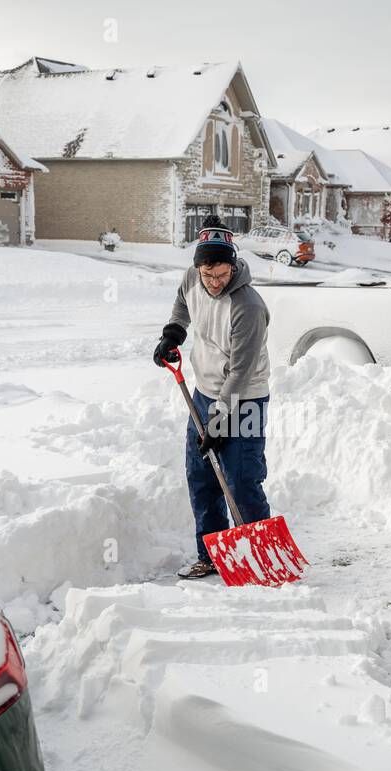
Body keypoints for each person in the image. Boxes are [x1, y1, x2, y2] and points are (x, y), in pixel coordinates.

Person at [153, 216, 272, 579]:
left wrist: (221, 420)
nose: (215, 283)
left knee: (240, 477)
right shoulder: (193, 278)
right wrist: (173, 334)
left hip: (245, 398)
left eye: (222, 275)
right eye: (209, 277)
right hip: (204, 394)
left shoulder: (247, 307)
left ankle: (262, 556)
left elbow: (241, 371)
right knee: (201, 475)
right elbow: (182, 302)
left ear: (233, 266)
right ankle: (212, 553)